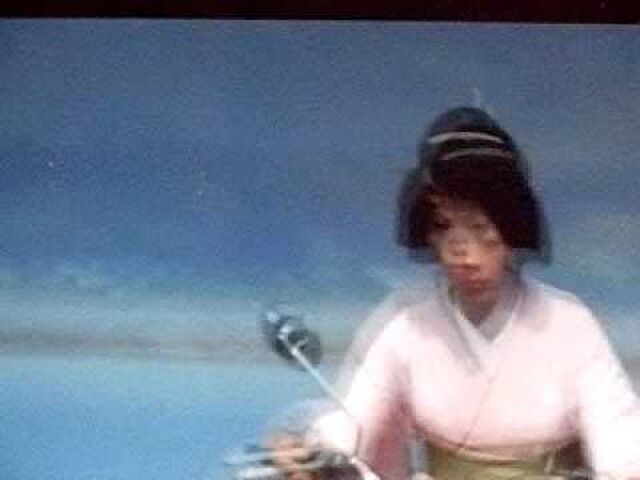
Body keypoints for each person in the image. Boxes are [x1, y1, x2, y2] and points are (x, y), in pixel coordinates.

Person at [274, 107, 640, 480]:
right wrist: (315, 446)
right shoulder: (407, 324)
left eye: (482, 228)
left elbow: (621, 438)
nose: (462, 252)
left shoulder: (569, 323)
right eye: (445, 227)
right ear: (427, 233)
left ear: (512, 230)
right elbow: (354, 421)